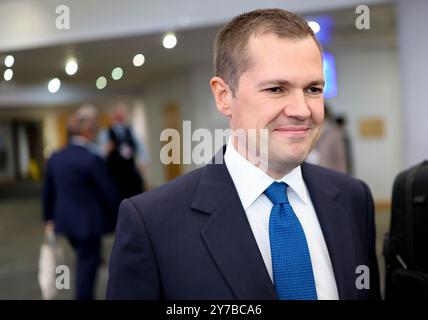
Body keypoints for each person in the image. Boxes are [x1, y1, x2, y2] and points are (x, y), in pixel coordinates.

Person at [106, 9, 380, 300]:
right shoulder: (153, 223)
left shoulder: (353, 199)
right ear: (224, 96)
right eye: (276, 89)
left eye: (313, 89)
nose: (302, 110)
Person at [43, 104, 120, 300]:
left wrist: (48, 218)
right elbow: (109, 193)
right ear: (87, 132)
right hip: (88, 224)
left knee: (82, 261)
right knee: (87, 266)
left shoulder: (56, 158)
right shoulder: (91, 159)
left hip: (65, 222)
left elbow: (48, 192)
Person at [98, 103, 148, 200]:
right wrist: (106, 150)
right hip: (115, 176)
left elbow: (141, 148)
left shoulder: (131, 131)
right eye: (118, 116)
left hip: (130, 174)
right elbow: (100, 154)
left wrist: (143, 161)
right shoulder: (105, 133)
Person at [308, 106, 349, 174]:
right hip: (310, 174)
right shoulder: (309, 129)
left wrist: (341, 179)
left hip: (329, 173)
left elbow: (340, 159)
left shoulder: (334, 132)